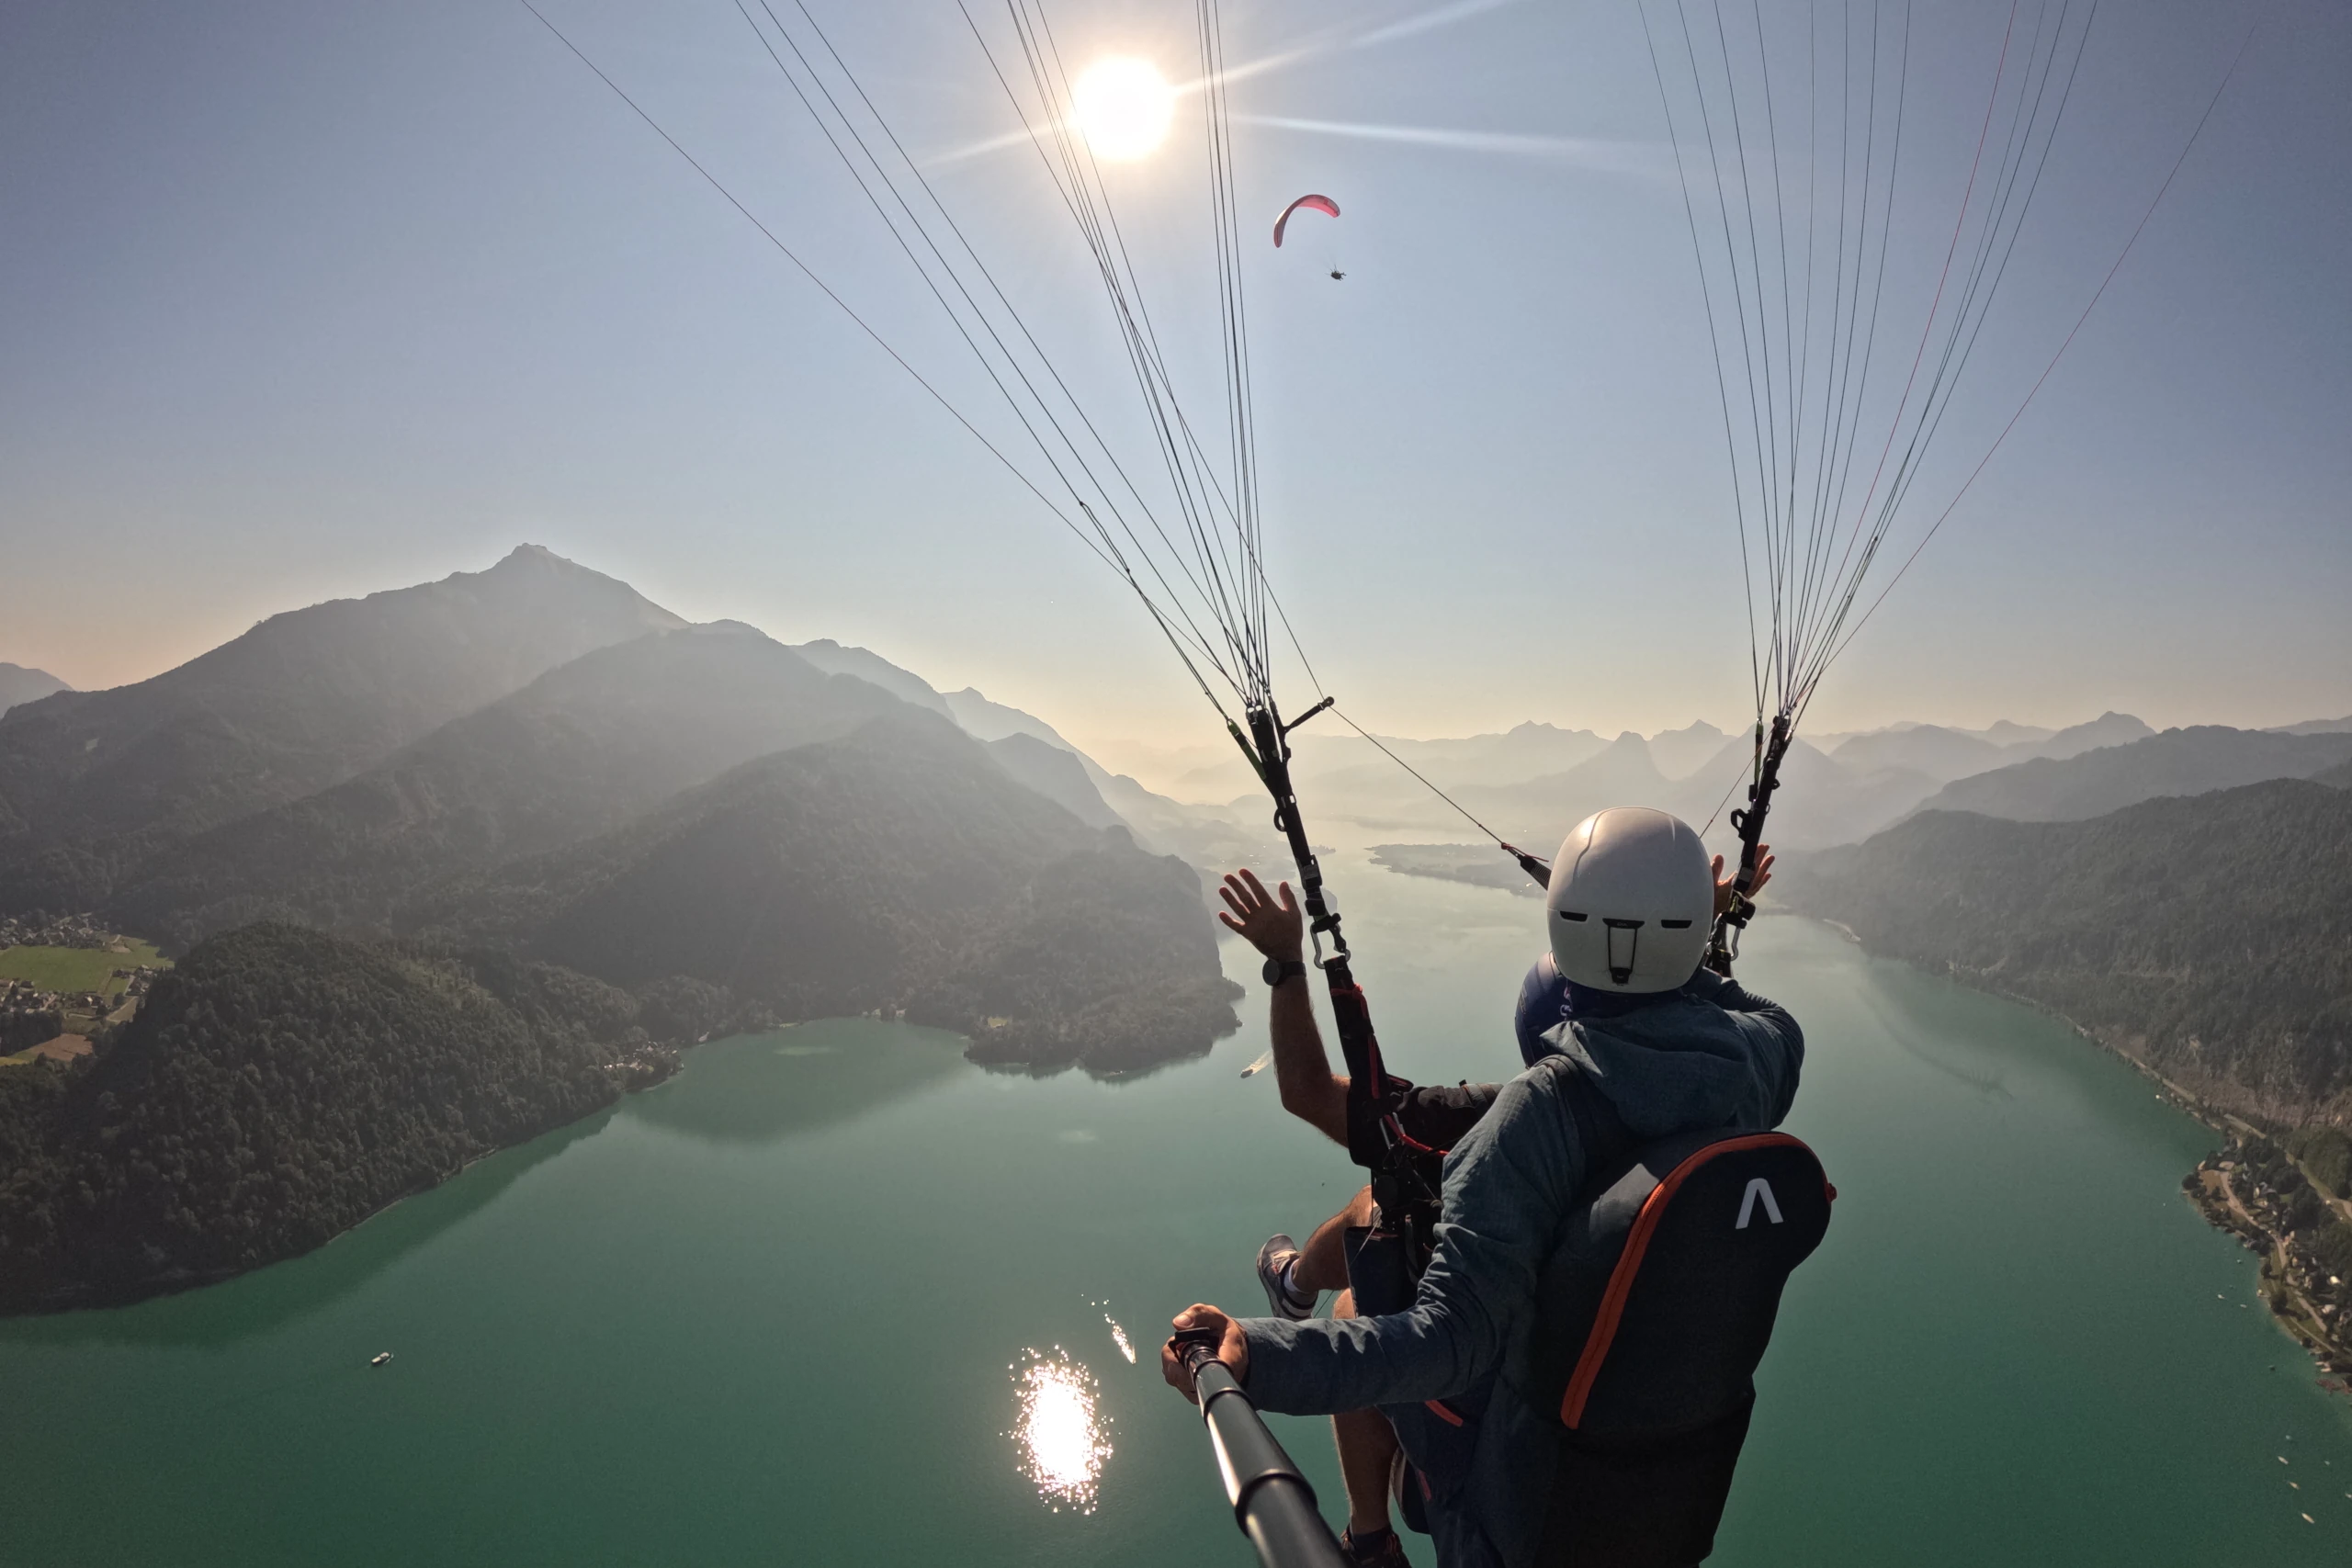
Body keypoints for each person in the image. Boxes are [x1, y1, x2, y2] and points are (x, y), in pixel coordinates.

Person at [1168, 809, 1801, 1568]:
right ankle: (1299, 1291)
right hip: (1660, 1493)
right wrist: (1692, 934)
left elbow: (1451, 1342)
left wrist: (1256, 1359)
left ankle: (1368, 1535)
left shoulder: (1533, 1118)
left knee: (1363, 1281)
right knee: (1382, 1226)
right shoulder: (1759, 1070)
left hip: (1520, 1506)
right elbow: (1763, 1013)